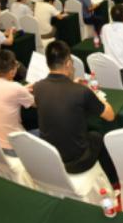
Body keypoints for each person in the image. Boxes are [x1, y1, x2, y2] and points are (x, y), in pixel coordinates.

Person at [33, 40, 115, 180]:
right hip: (77, 161)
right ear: (68, 64)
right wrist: (94, 93)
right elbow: (110, 115)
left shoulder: (38, 87)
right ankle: (112, 181)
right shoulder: (81, 91)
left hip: (51, 156)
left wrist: (72, 84)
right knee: (97, 136)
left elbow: (57, 96)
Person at [0, 50, 35, 155]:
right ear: (12, 71)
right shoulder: (15, 88)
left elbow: (4, 92)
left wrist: (23, 89)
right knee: (48, 133)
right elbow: (36, 103)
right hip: (15, 146)